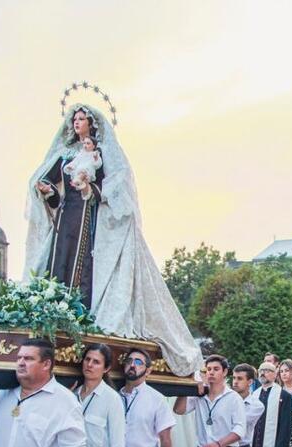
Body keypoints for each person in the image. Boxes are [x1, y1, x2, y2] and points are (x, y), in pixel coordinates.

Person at [24, 103, 200, 378]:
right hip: (66, 219)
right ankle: (56, 310)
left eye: (81, 119)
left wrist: (89, 188)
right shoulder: (64, 155)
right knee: (58, 262)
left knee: (84, 267)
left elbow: (115, 186)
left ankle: (80, 313)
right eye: (74, 120)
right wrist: (46, 191)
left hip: (90, 220)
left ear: (92, 124)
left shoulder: (101, 154)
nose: (76, 123)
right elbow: (55, 196)